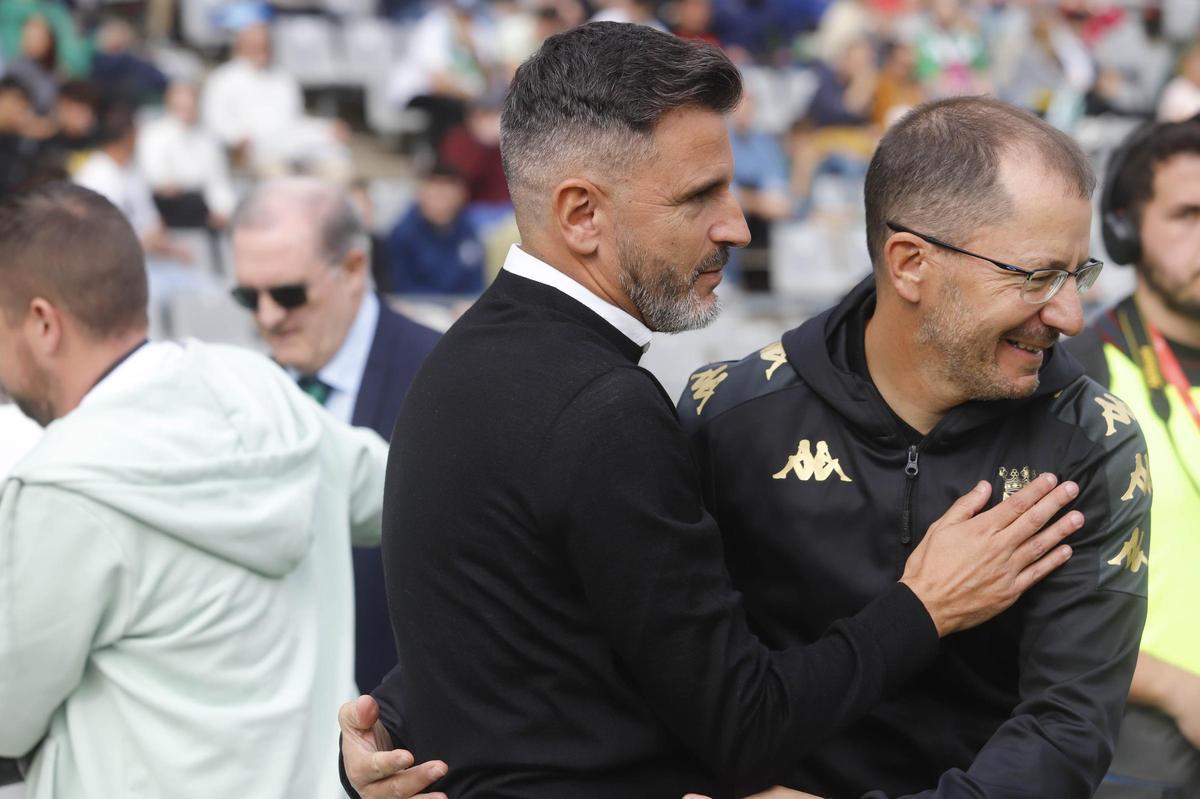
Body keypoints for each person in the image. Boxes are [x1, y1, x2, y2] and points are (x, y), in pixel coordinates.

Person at [340, 24, 1083, 799]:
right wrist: (925, 603)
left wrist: (387, 725)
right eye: (700, 197)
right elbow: (746, 729)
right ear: (582, 214)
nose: (737, 224)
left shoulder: (453, 364)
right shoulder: (603, 409)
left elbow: (513, 616)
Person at [675, 96, 1149, 798]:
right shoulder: (730, 414)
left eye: (1077, 274)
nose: (1069, 314)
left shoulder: (1090, 442)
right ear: (910, 263)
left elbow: (1064, 729)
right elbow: (684, 679)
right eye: (1036, 275)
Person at [0, 182, 389, 798]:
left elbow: (5, 716)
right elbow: (405, 492)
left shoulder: (60, 485)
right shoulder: (262, 389)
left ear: (44, 323)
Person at [230, 177, 441, 694]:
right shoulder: (243, 393)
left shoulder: (443, 376)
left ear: (352, 269)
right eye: (246, 296)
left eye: (287, 293)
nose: (267, 317)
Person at [1071, 116, 1200, 799]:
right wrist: (1176, 688)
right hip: (1140, 735)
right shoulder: (1074, 379)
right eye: (1189, 214)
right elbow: (1025, 604)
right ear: (1123, 230)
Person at [385, 163, 486, 295]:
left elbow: (476, 282)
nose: (439, 201)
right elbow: (400, 286)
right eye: (435, 193)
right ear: (421, 194)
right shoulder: (403, 233)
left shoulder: (468, 230)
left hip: (461, 307)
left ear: (460, 195)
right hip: (417, 306)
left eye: (445, 194)